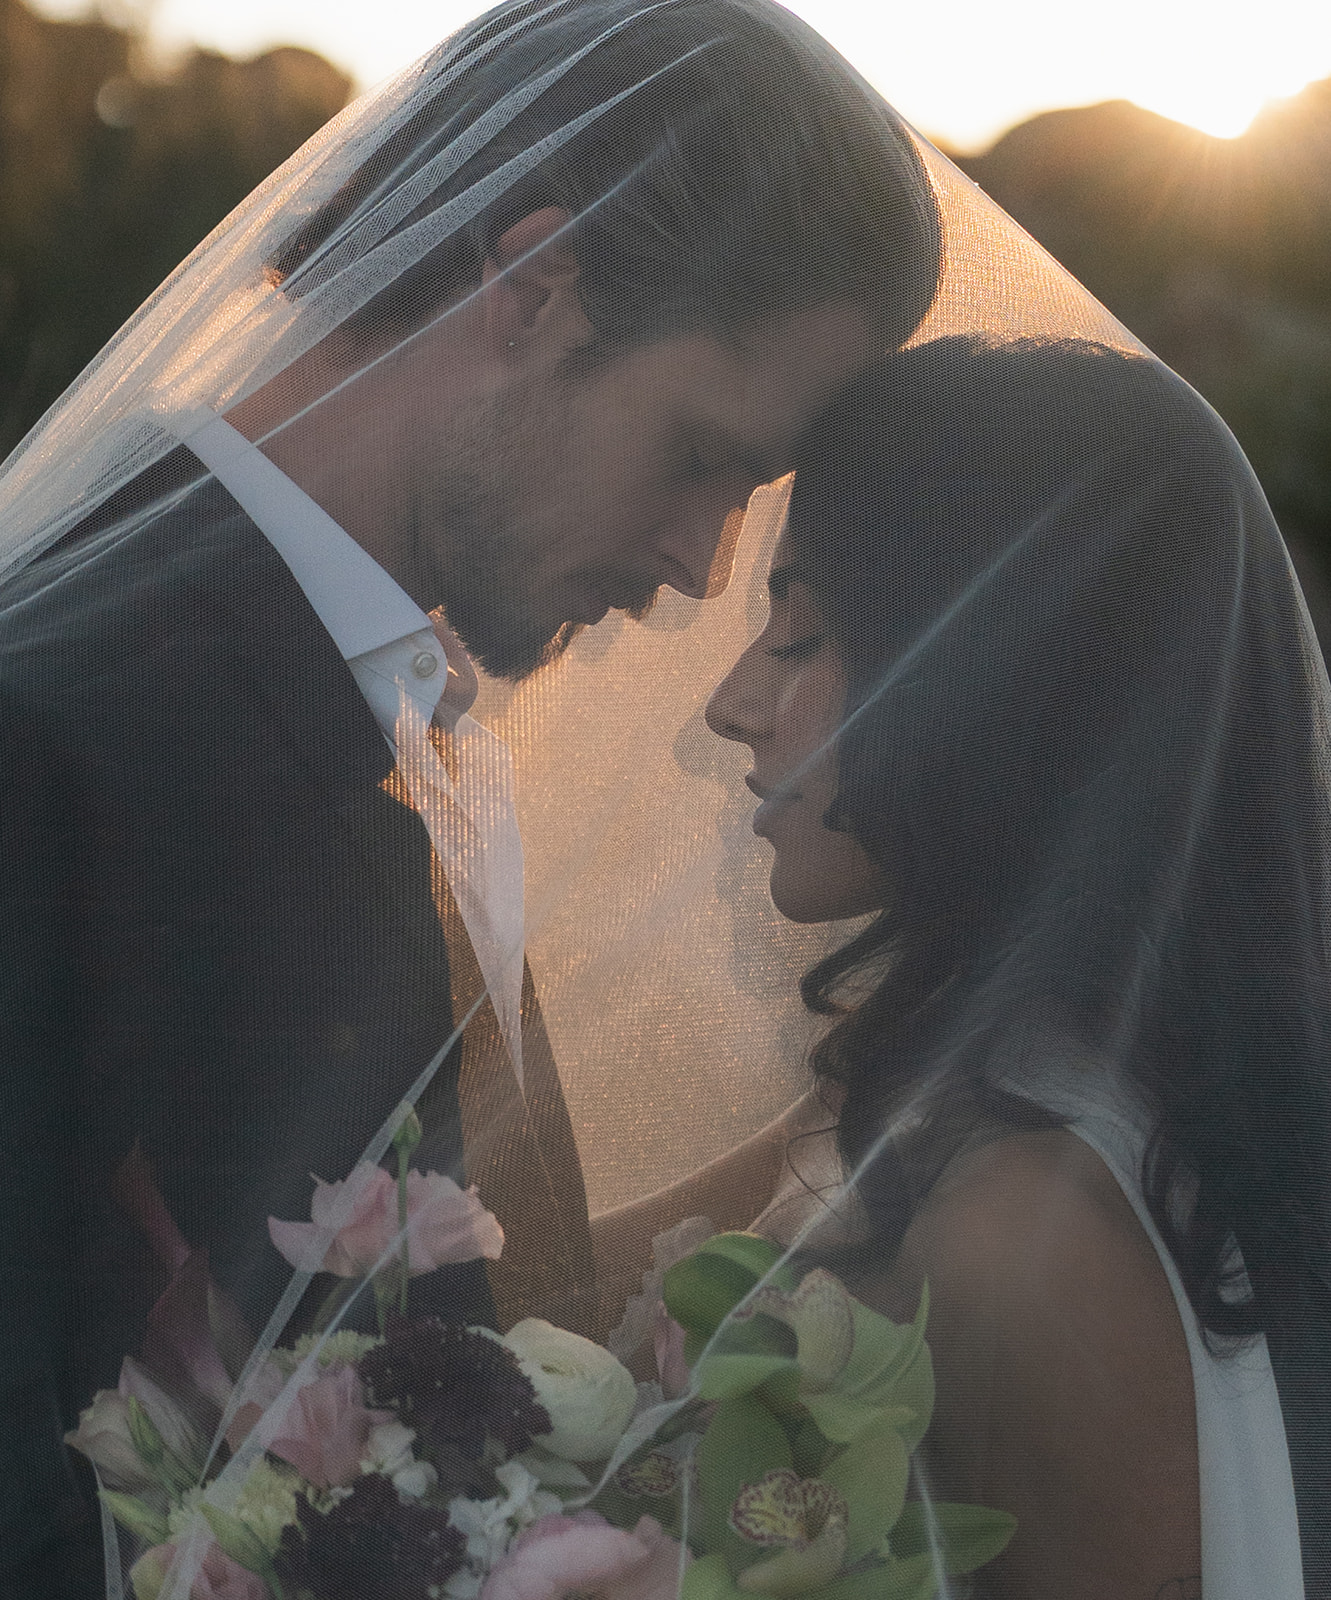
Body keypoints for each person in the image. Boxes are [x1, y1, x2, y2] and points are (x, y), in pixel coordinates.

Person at [0, 1, 944, 1592]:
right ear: (532, 283)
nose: (698, 561)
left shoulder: (397, 714)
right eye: (701, 454)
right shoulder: (49, 732)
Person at [703, 335, 1331, 1598]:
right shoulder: (982, 1084)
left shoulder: (1018, 1239)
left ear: (991, 676)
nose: (730, 700)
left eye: (803, 634)